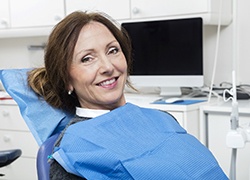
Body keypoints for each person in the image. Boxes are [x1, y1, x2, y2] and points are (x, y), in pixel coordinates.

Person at [27, 11, 228, 179]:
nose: (108, 66)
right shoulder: (72, 152)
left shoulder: (162, 119)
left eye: (113, 50)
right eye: (87, 58)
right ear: (66, 79)